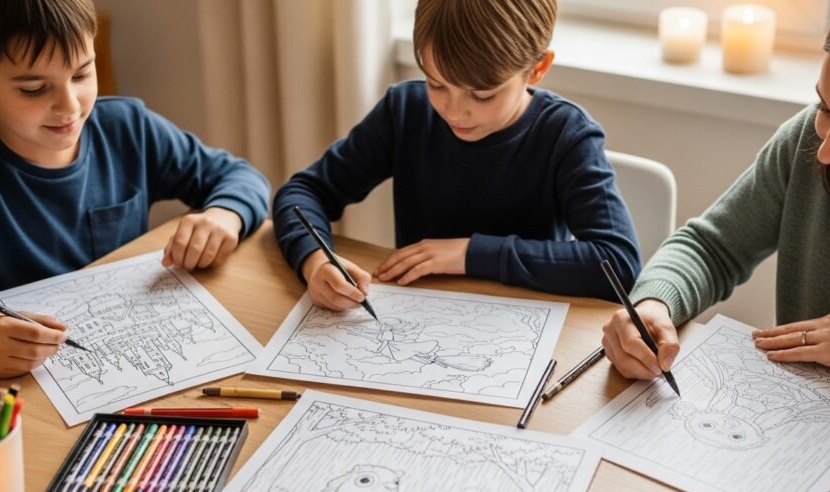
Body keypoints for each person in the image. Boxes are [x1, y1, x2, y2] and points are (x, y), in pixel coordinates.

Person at [601, 0, 830, 426]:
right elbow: (712, 247)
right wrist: (654, 303)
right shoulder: (805, 143)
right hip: (801, 431)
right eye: (824, 109)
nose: (826, 150)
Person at [0, 0, 271, 378]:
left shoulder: (127, 128)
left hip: (129, 367)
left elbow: (239, 176)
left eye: (81, 75)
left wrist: (224, 215)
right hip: (8, 395)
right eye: (35, 89)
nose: (69, 106)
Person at [273, 0, 641, 311]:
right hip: (419, 321)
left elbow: (618, 263)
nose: (454, 111)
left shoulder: (566, 135)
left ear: (537, 69)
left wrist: (469, 254)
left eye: (482, 96)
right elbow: (303, 193)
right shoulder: (406, 111)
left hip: (524, 331)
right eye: (437, 84)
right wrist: (315, 259)